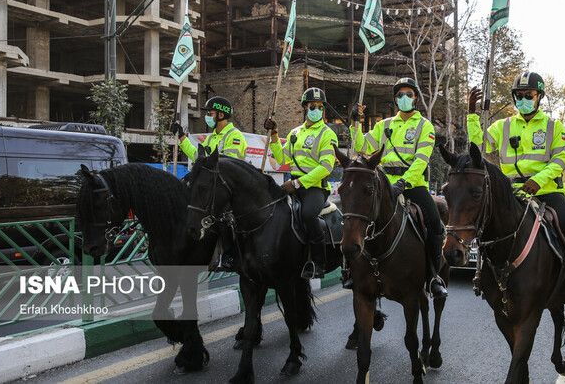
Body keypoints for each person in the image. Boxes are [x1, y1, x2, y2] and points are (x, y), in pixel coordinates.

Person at [467, 71, 565, 305]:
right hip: (512, 192)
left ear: (539, 97)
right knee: (484, 221)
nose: (523, 99)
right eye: (519, 95)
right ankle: (484, 274)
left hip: (547, 190)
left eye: (529, 95)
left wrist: (538, 180)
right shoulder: (502, 126)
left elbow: (560, 160)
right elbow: (478, 147)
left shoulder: (554, 126)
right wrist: (471, 115)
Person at [349, 77, 448, 299]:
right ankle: (351, 270)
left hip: (412, 185)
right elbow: (361, 147)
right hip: (383, 183)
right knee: (355, 215)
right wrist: (355, 123)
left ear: (415, 99)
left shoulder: (425, 126)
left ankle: (433, 276)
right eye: (400, 95)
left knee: (434, 223)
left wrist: (403, 183)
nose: (404, 98)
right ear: (395, 100)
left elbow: (421, 160)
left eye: (408, 94)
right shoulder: (383, 126)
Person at [263, 87, 338, 279]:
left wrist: (297, 184)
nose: (317, 110)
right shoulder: (295, 133)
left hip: (315, 188)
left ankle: (319, 263)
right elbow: (281, 159)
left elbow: (326, 168)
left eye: (320, 107)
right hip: (293, 185)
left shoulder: (328, 134)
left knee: (307, 214)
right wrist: (274, 134)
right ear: (305, 108)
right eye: (313, 106)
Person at [170, 96, 247, 271]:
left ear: (221, 115)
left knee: (223, 216)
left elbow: (227, 164)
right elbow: (199, 159)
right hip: (213, 187)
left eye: (210, 113)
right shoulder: (212, 137)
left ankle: (229, 254)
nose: (208, 116)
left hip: (229, 188)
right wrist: (182, 137)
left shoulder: (235, 136)